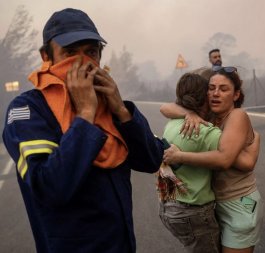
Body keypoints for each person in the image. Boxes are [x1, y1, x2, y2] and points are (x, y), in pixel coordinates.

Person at [2, 8, 164, 253]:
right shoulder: (28, 109)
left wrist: (121, 109)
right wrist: (86, 113)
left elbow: (151, 160)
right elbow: (51, 188)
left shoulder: (107, 103)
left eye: (91, 52)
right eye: (69, 53)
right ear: (46, 55)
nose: (82, 63)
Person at [163, 66, 263, 253]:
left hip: (241, 202)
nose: (216, 93)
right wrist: (188, 113)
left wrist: (180, 156)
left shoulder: (237, 116)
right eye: (211, 88)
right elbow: (165, 107)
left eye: (224, 89)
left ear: (236, 95)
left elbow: (225, 159)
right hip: (217, 205)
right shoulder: (209, 116)